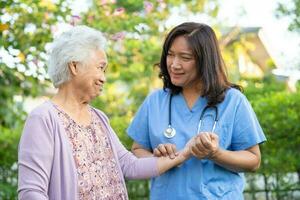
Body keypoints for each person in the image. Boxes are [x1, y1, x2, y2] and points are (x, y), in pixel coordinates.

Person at [17, 25, 192, 200]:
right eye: (100, 67)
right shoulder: (43, 118)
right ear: (74, 66)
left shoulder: (98, 117)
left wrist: (184, 153)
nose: (103, 78)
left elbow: (129, 165)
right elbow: (31, 192)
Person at [127, 22, 266, 200]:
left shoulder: (233, 101)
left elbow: (253, 160)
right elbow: (137, 150)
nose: (174, 65)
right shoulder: (155, 101)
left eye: (185, 58)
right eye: (170, 55)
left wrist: (215, 154)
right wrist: (158, 157)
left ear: (204, 61)